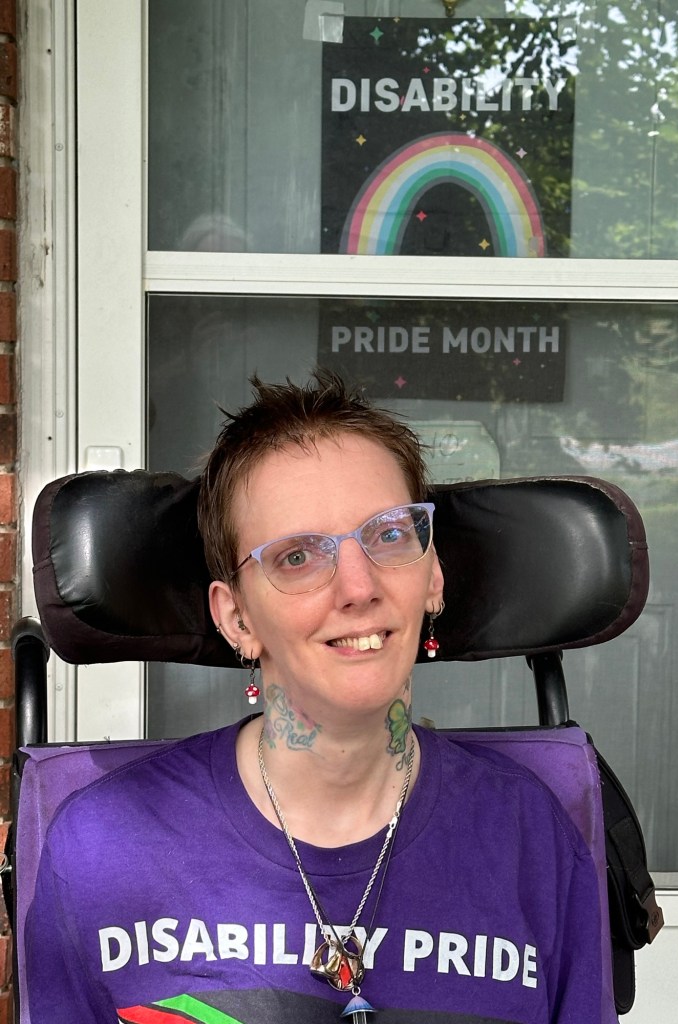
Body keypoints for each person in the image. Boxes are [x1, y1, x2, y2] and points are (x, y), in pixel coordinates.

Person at [25, 370, 603, 1023]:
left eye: (389, 534)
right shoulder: (104, 847)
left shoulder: (530, 838)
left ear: (433, 576)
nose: (358, 588)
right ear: (237, 618)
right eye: (297, 557)